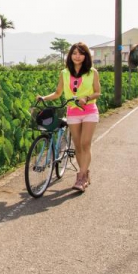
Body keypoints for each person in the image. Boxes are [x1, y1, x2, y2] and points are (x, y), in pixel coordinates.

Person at [37, 42, 101, 192]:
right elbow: (58, 93)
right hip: (72, 112)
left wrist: (86, 97)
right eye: (74, 53)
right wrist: (44, 98)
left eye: (80, 53)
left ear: (86, 56)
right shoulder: (64, 73)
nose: (77, 56)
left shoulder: (92, 72)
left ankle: (81, 177)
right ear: (70, 56)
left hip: (89, 111)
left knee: (85, 144)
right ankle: (85, 173)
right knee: (77, 146)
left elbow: (98, 92)